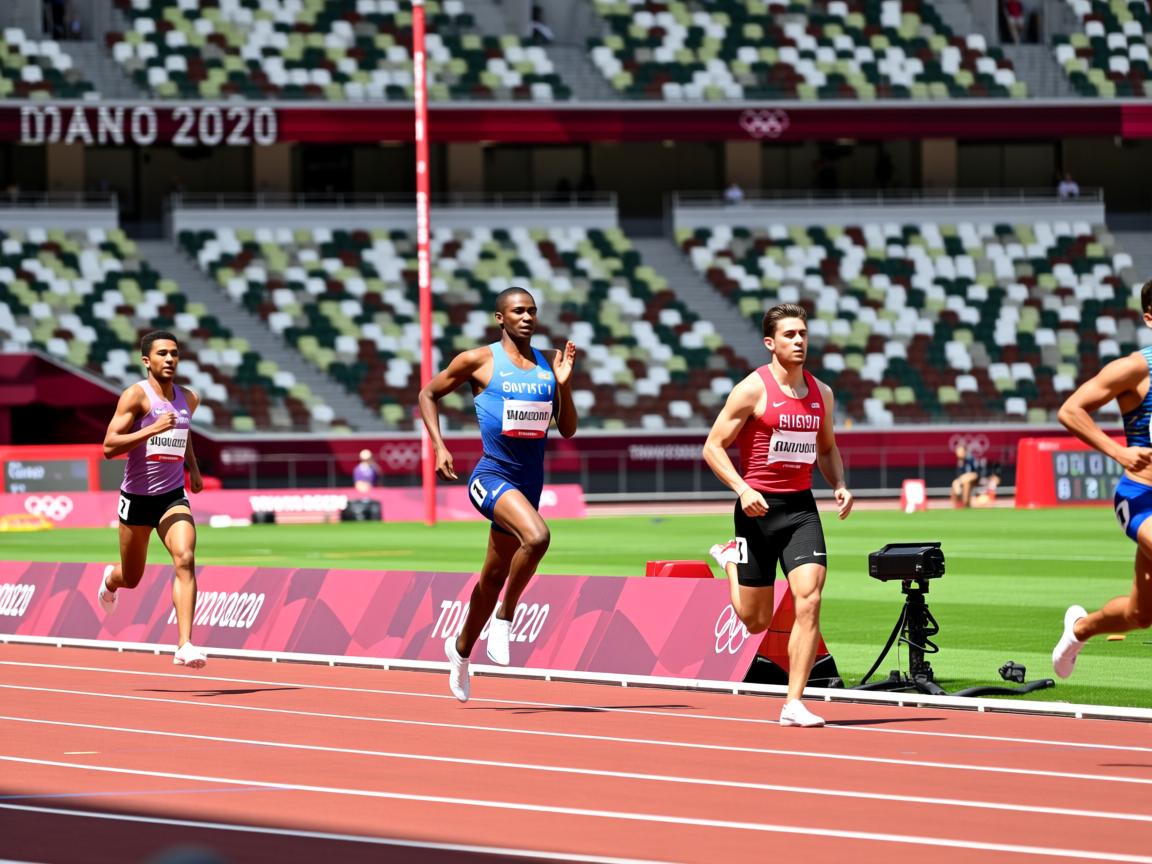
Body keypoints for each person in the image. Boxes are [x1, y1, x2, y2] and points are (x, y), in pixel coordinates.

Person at [418, 287, 577, 701]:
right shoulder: (479, 359)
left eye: (532, 311)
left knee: (490, 577)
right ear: (499, 318)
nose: (527, 317)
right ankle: (506, 617)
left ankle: (460, 651)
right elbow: (428, 394)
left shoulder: (547, 364)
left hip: (529, 483)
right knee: (538, 537)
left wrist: (564, 386)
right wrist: (440, 445)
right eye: (517, 311)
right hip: (490, 476)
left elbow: (569, 428)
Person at [703, 303, 853, 727]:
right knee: (756, 621)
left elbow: (826, 449)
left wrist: (839, 483)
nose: (799, 341)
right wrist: (742, 488)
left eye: (803, 333)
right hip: (756, 509)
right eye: (790, 335)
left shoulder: (822, 393)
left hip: (800, 510)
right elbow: (713, 446)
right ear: (771, 343)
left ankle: (793, 703)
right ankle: (730, 560)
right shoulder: (751, 389)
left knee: (810, 599)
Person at [1052, 278, 1152, 678]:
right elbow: (1071, 410)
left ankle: (1079, 629)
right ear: (1150, 318)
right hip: (1142, 497)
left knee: (1139, 614)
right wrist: (1118, 451)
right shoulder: (1134, 369)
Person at [99, 330, 206, 668]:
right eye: (162, 354)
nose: (170, 359)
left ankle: (185, 644)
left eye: (174, 353)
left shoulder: (189, 398)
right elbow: (108, 447)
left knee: (185, 557)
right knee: (131, 578)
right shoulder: (135, 397)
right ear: (147, 360)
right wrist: (151, 429)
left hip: (173, 497)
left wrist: (194, 469)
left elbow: (183, 432)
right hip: (137, 499)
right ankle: (109, 580)